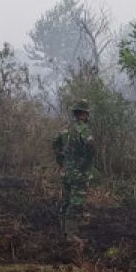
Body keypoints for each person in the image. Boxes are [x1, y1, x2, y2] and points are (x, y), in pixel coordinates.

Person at [52, 99, 94, 241]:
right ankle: (71, 235)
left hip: (66, 172)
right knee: (76, 202)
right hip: (78, 174)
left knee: (66, 200)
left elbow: (55, 142)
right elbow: (91, 148)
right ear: (84, 113)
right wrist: (84, 166)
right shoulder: (84, 129)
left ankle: (63, 230)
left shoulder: (66, 128)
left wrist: (61, 162)